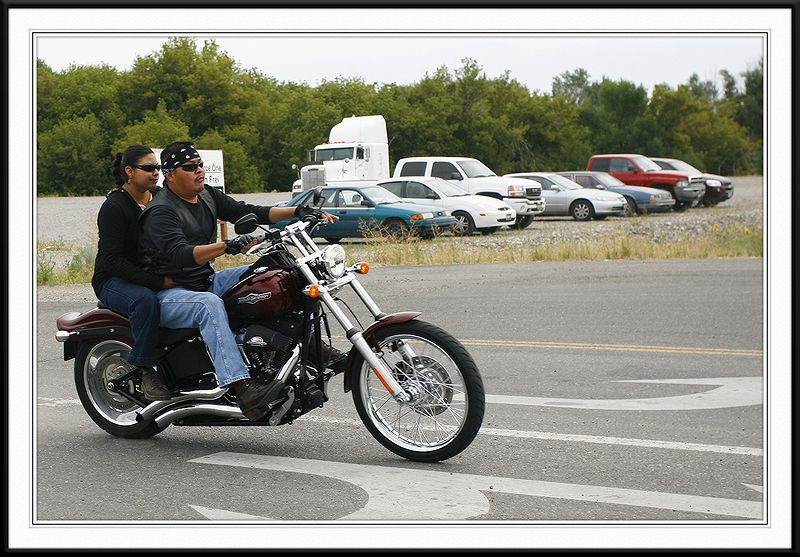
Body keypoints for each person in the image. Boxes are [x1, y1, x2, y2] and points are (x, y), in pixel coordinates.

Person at [137, 141, 337, 421]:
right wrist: (226, 245)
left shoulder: (207, 195)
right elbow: (181, 255)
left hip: (205, 280)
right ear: (170, 174)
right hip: (172, 293)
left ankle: (312, 346)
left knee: (278, 273)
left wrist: (298, 211)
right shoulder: (161, 211)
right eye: (190, 167)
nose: (200, 171)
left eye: (200, 164)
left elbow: (250, 210)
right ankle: (241, 386)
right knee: (208, 304)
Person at [91, 144, 174, 401]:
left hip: (151, 272)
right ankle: (144, 368)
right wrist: (158, 282)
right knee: (144, 299)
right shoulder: (115, 207)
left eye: (157, 167)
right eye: (148, 168)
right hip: (113, 280)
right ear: (129, 171)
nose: (155, 173)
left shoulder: (160, 197)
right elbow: (113, 260)